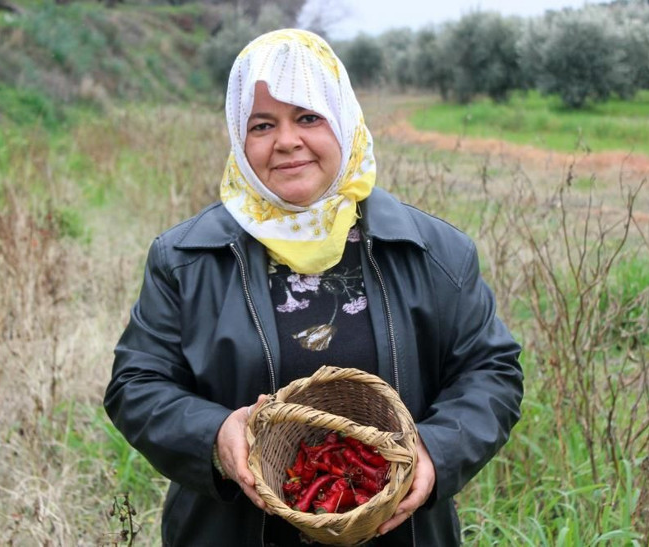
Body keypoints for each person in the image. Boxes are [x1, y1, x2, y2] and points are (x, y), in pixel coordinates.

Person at [104, 28, 523, 546]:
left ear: (344, 122)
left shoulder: (433, 251)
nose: (286, 140)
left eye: (308, 117)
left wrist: (436, 452)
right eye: (262, 125)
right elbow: (136, 385)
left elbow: (491, 371)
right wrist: (215, 435)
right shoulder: (186, 259)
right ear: (239, 137)